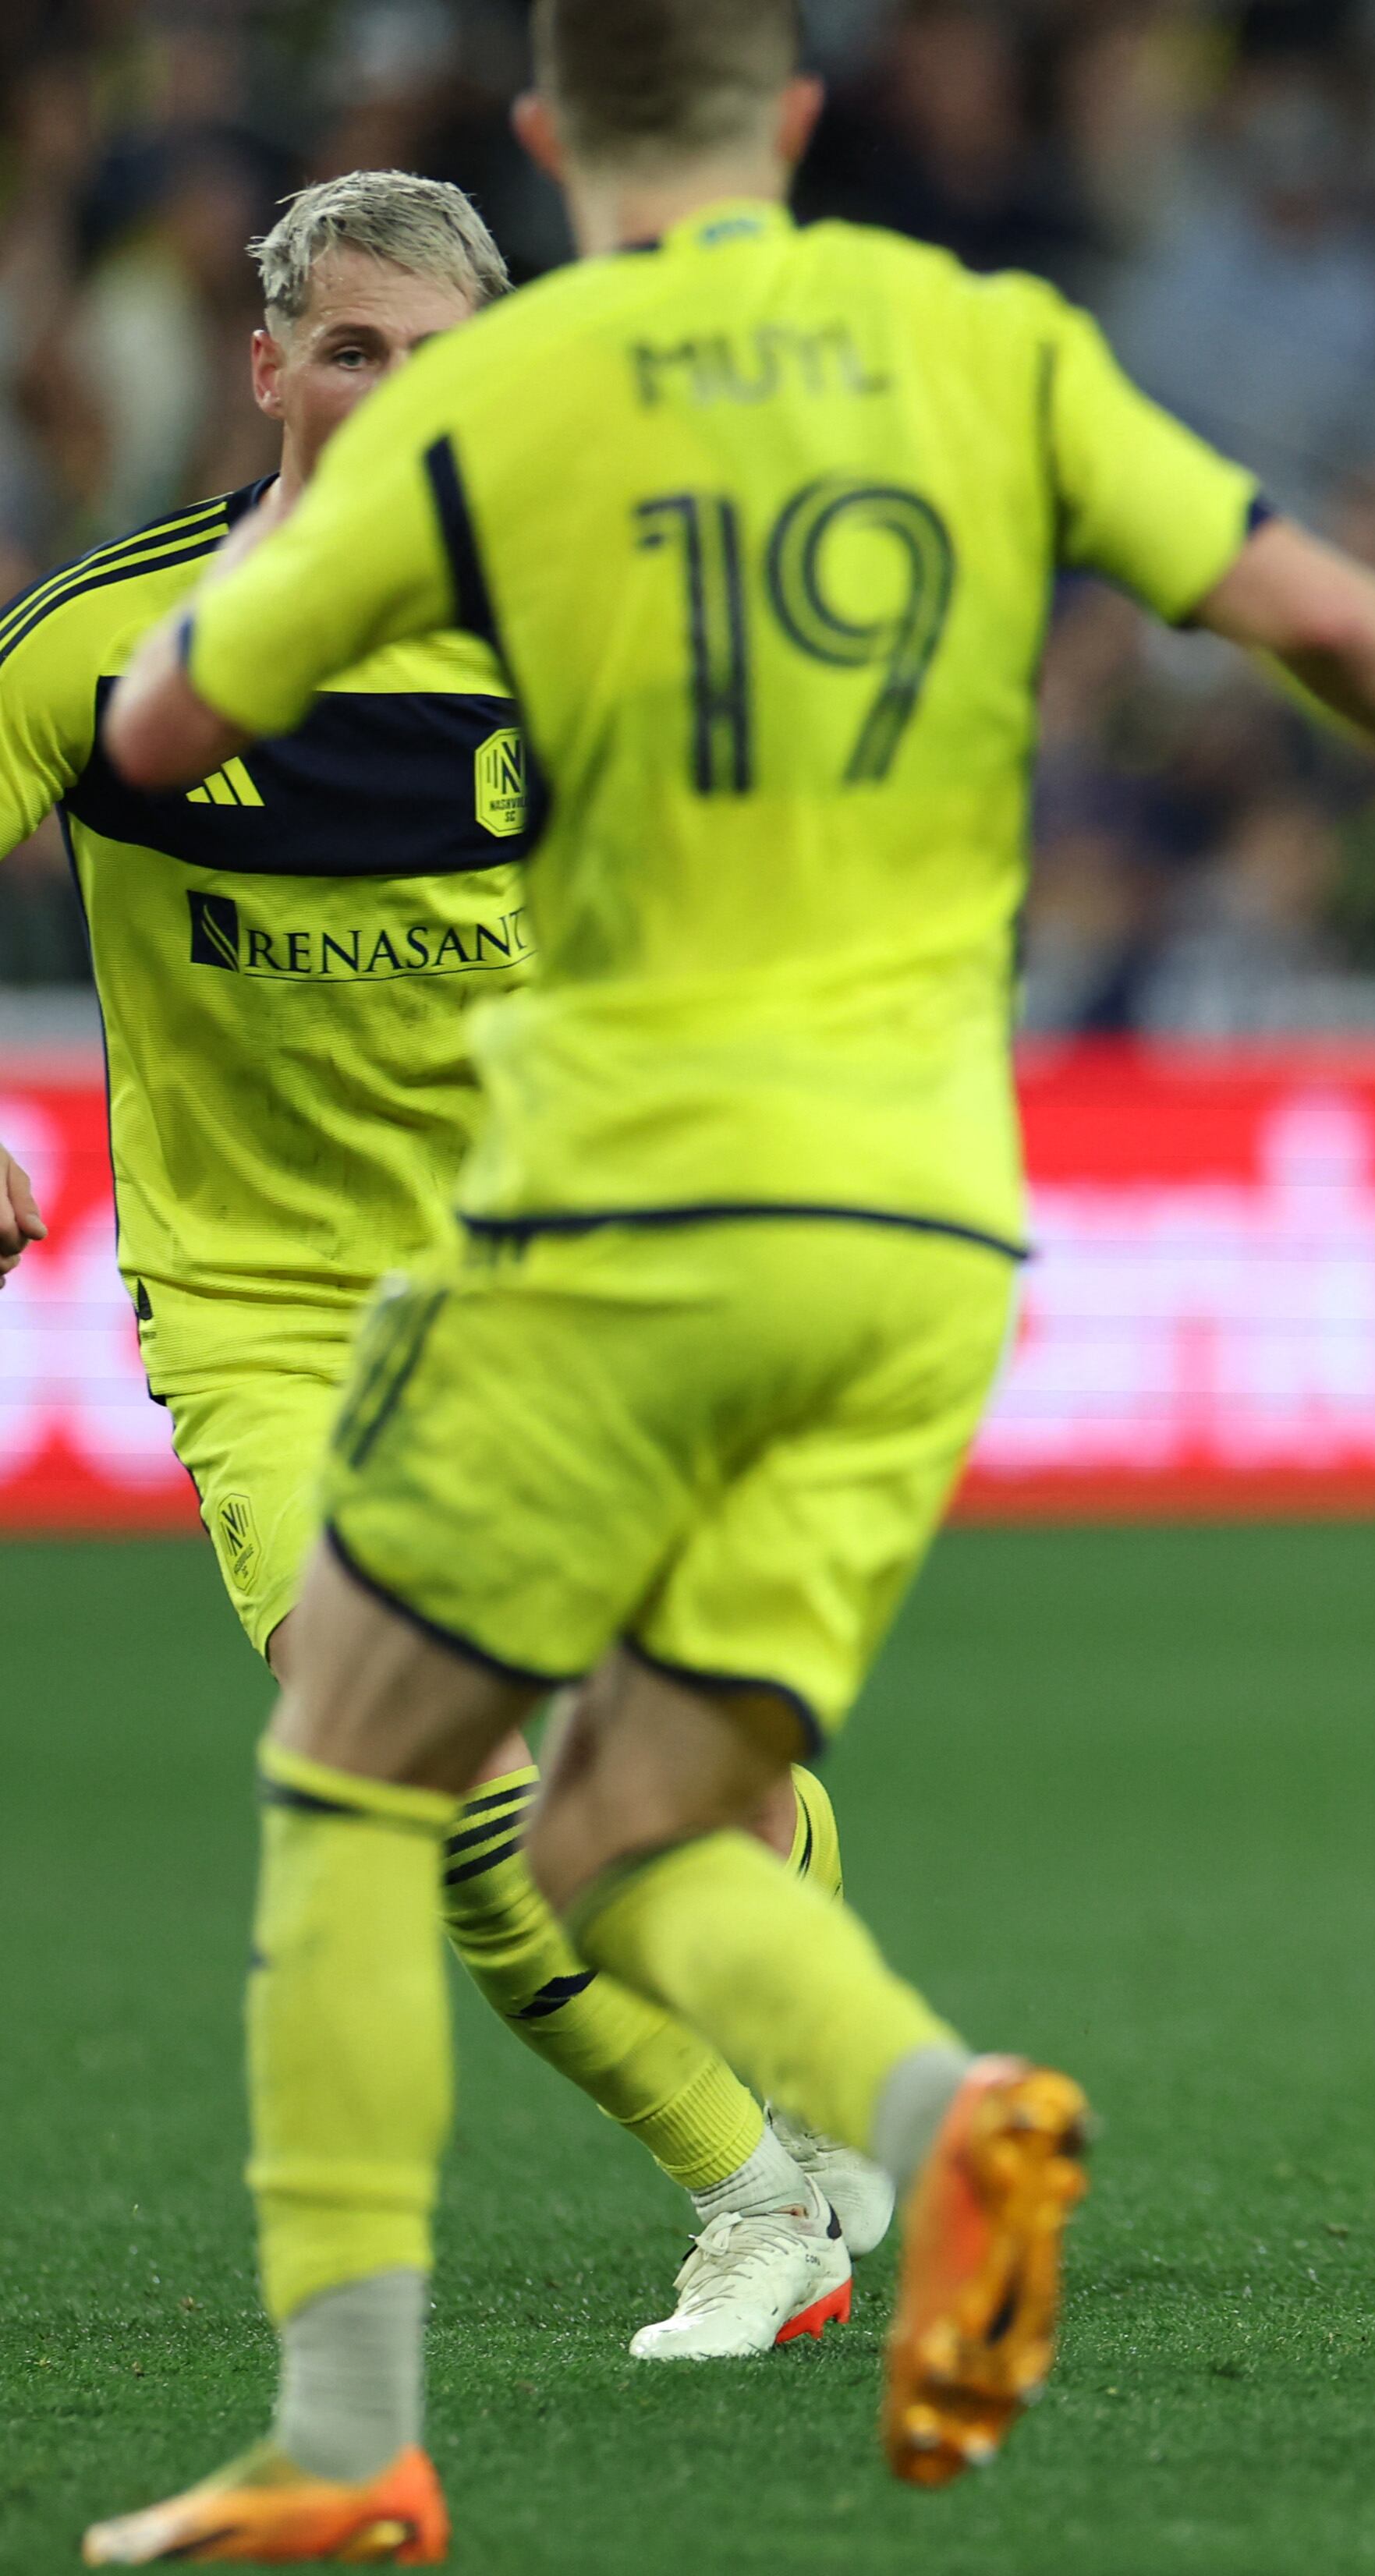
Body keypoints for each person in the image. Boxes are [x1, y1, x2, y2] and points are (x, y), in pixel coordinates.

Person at [83, 0, 1375, 2557]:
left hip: (626, 1199)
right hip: (925, 1218)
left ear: (554, 147)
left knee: (362, 1766)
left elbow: (162, 720)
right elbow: (1292, 596)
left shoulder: (500, 402)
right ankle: (930, 2117)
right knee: (646, 1812)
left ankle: (344, 2445)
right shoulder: (986, 347)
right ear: (794, 130)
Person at [0, 168, 893, 2368]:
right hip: (267, 1310)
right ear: (266, 367)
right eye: (351, 352)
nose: (394, 394)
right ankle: (753, 2205)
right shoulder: (102, 642)